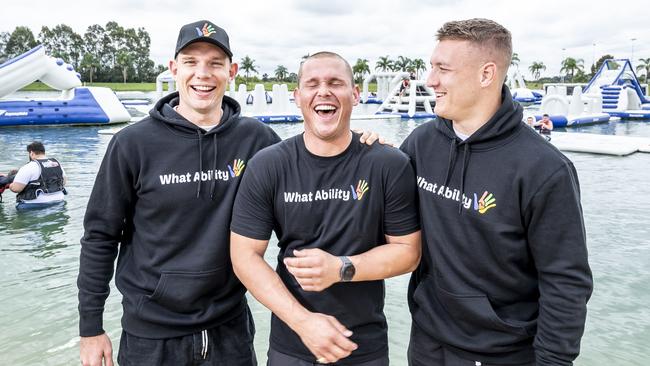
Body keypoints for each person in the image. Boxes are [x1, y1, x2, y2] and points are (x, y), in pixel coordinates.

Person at [78, 21, 383, 366]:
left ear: (232, 71)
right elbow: (100, 237)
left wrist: (357, 144)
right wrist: (91, 328)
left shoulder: (258, 140)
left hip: (231, 329)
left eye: (215, 63)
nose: (203, 74)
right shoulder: (131, 144)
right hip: (152, 334)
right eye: (191, 62)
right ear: (174, 69)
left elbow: (310, 168)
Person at [399, 18, 592, 366]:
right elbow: (388, 220)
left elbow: (565, 281)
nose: (430, 80)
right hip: (427, 341)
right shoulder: (420, 144)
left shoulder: (544, 169)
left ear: (486, 74)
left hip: (502, 352)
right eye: (431, 67)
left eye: (443, 69)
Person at [230, 52, 422, 366]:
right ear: (297, 97)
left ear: (355, 94)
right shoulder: (269, 165)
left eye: (336, 83)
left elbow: (408, 252)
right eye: (312, 84)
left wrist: (342, 268)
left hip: (364, 345)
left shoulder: (388, 163)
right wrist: (303, 322)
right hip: (291, 343)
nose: (324, 92)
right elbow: (244, 256)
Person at [9, 141, 67, 208]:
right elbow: (64, 182)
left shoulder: (28, 166)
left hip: (35, 205)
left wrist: (10, 185)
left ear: (31, 153)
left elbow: (16, 189)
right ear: (44, 152)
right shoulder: (57, 164)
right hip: (59, 202)